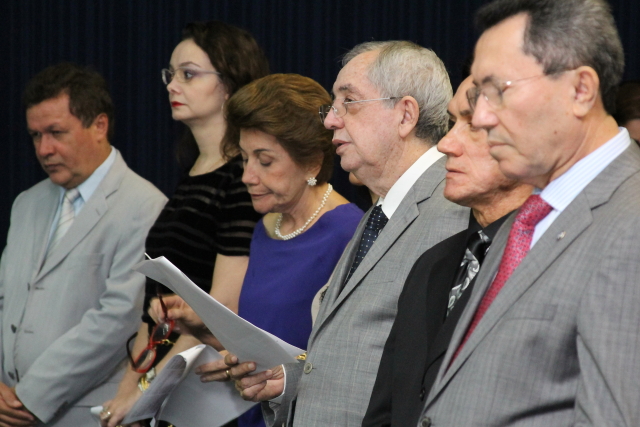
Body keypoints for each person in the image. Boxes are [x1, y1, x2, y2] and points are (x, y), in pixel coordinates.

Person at [189, 40, 470, 427]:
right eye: (332, 106)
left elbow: (438, 381)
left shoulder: (455, 210)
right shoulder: (380, 213)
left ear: (405, 115)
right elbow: (357, 355)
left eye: (348, 102)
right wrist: (288, 382)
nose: (330, 121)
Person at [417, 0, 640, 426]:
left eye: (497, 91)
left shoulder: (630, 225)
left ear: (580, 90)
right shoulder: (531, 215)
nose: (483, 117)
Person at [100, 21, 267, 427]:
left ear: (229, 84)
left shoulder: (241, 179)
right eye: (170, 74)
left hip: (203, 392)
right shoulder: (192, 173)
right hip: (165, 382)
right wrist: (126, 391)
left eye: (188, 74)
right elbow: (154, 309)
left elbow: (219, 310)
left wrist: (144, 394)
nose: (172, 85)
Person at [0, 62, 167, 427]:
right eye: (35, 135)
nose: (44, 149)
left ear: (99, 126)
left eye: (56, 132)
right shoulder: (26, 203)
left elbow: (119, 320)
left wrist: (29, 397)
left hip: (84, 414)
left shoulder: (146, 206)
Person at [362, 76, 532, 427]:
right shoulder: (432, 264)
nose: (446, 144)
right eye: (453, 122)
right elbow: (385, 410)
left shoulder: (551, 262)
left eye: (473, 125)